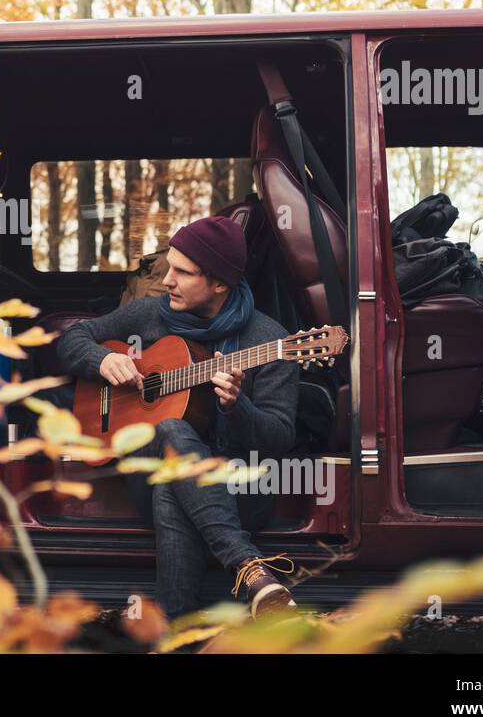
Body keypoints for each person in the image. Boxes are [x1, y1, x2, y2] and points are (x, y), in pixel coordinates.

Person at [56, 214, 300, 619]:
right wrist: (103, 359)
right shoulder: (151, 314)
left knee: (172, 480)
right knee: (170, 436)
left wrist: (238, 407)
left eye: (182, 272)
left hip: (240, 488)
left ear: (220, 283)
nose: (166, 280)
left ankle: (175, 636)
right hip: (147, 473)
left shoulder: (270, 341)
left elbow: (278, 439)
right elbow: (71, 338)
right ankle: (249, 569)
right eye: (169, 266)